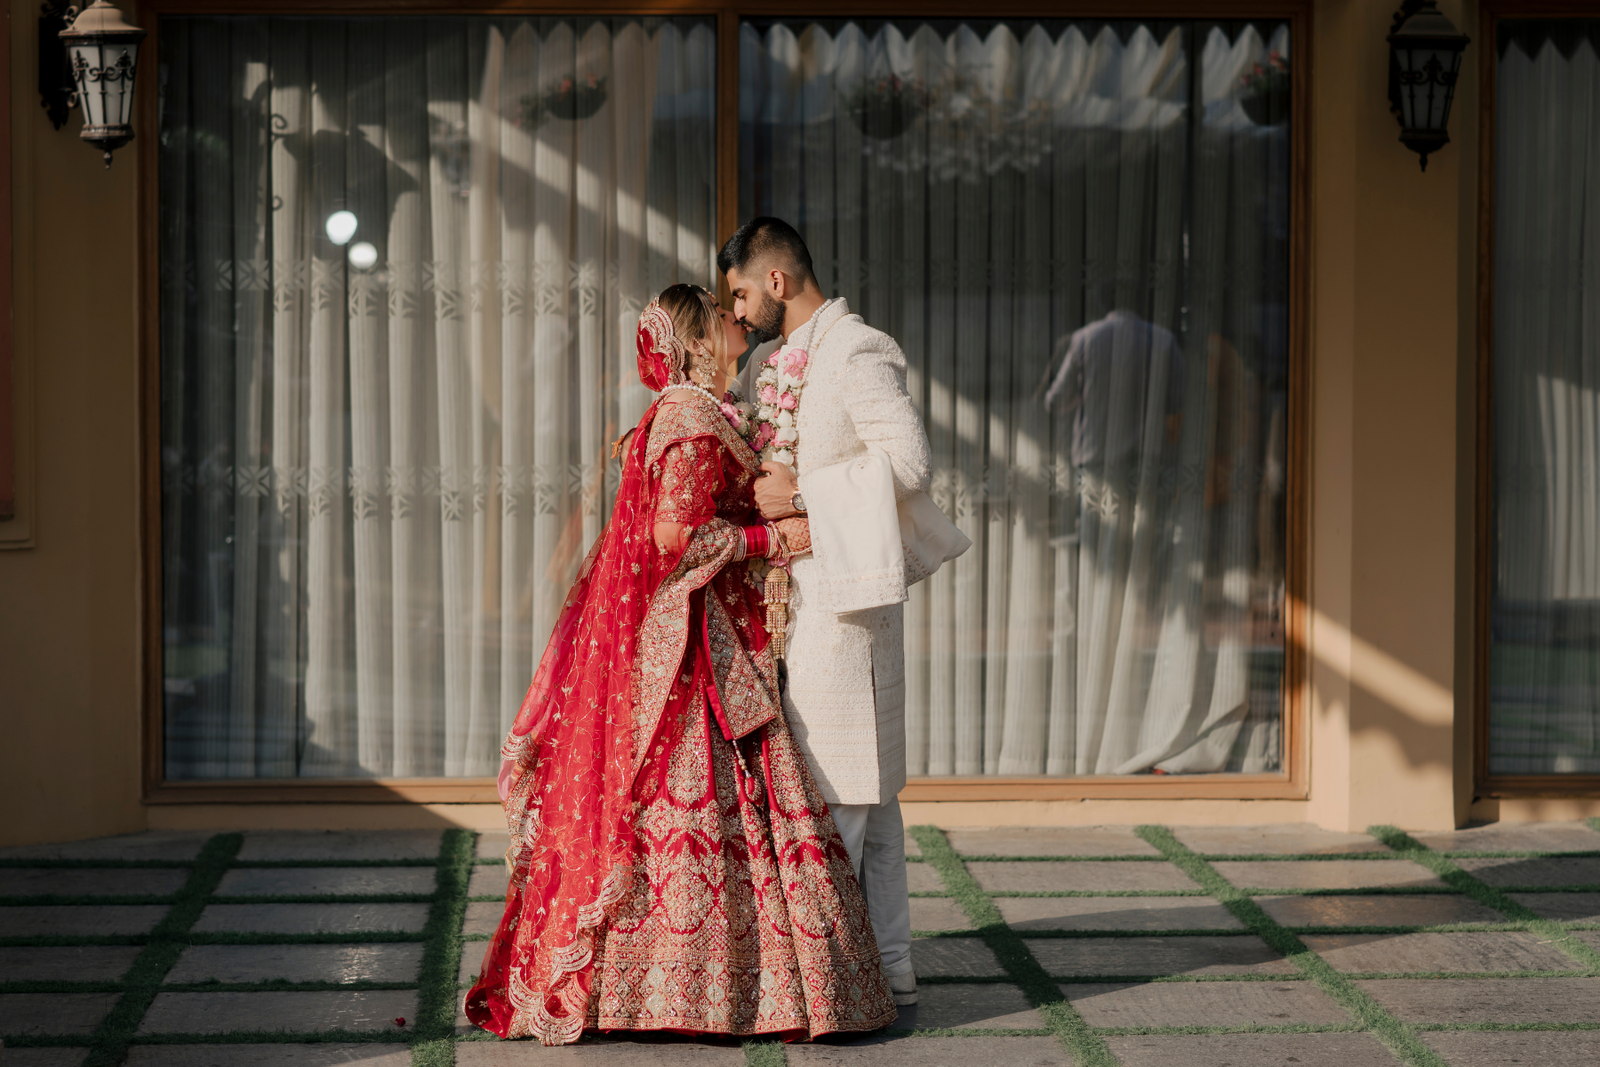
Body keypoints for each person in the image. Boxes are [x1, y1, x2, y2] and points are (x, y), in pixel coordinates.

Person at [464, 283, 897, 1045]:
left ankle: (658, 987)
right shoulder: (692, 418)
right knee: (694, 797)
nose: (736, 318)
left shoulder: (683, 412)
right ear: (698, 339)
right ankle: (691, 987)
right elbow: (674, 537)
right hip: (694, 649)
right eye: (720, 313)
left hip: (698, 634)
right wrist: (769, 540)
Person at [720, 218, 933, 1007]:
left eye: (742, 293)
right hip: (789, 604)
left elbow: (909, 459)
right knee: (863, 804)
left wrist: (805, 493)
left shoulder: (856, 349)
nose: (737, 312)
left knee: (843, 794)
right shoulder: (770, 363)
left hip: (844, 614)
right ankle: (888, 967)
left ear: (776, 280)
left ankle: (834, 980)